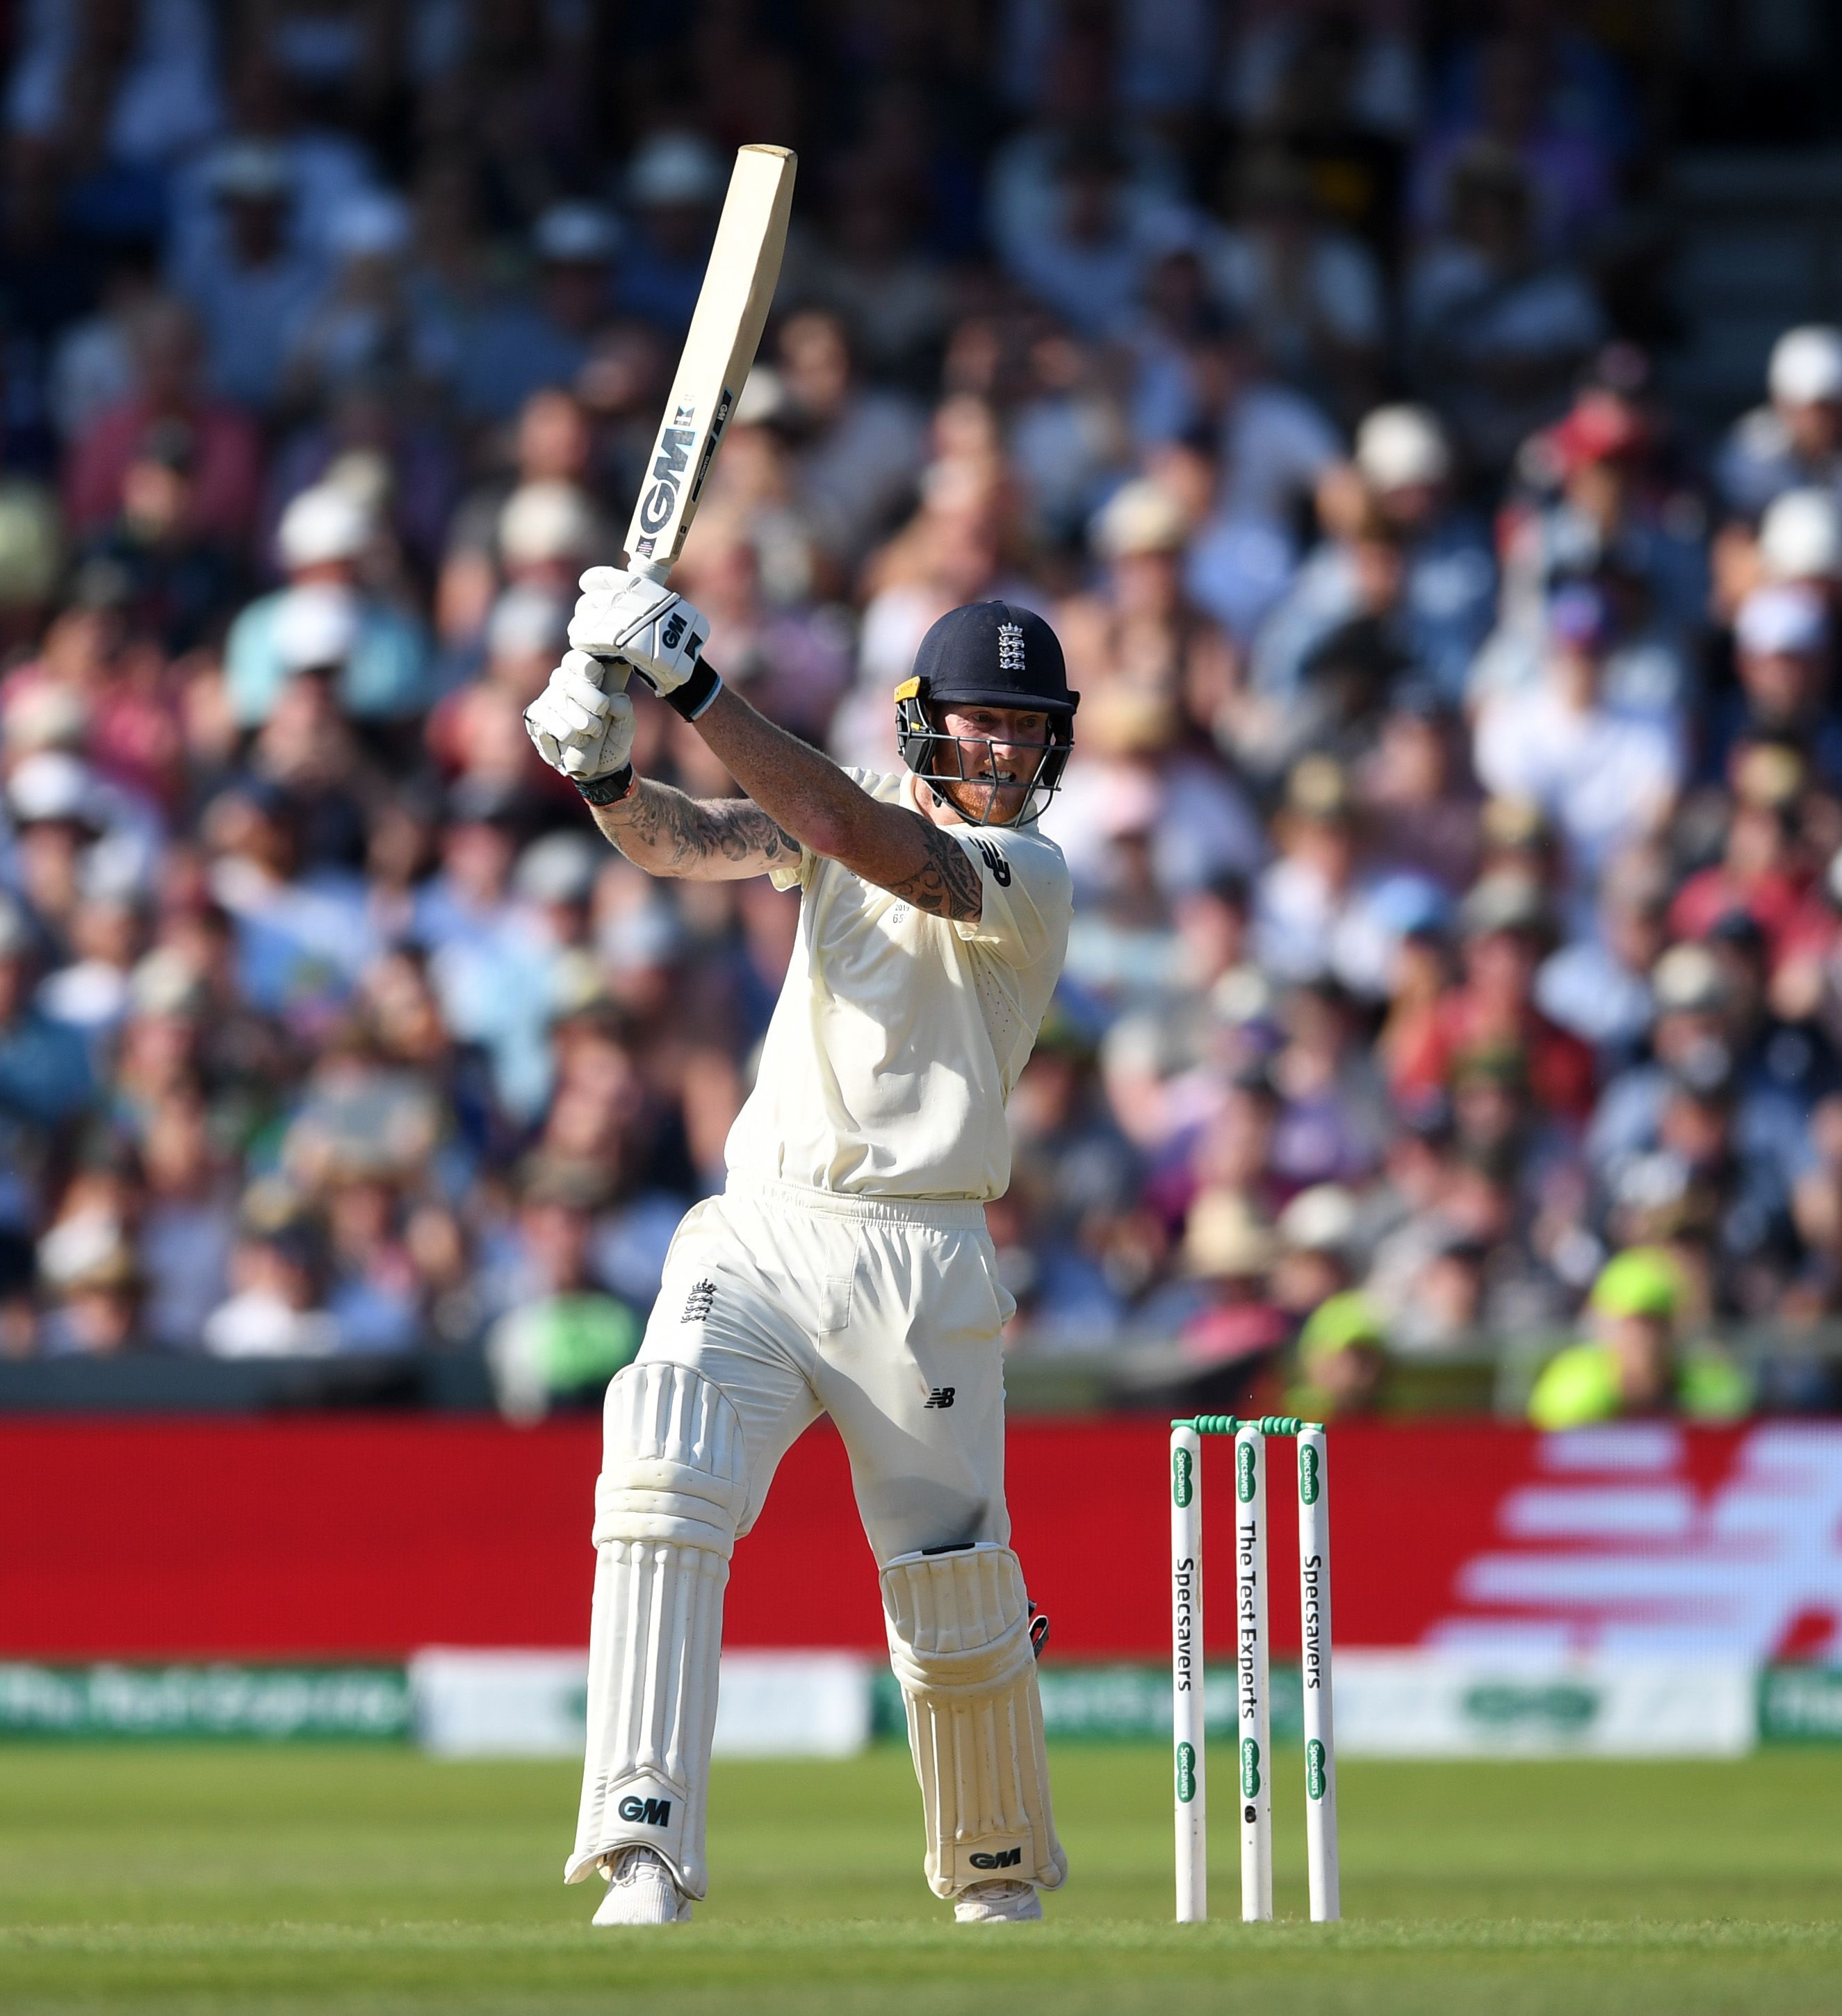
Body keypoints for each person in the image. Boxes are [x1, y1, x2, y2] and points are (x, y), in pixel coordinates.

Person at [523, 582, 1078, 1926]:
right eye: (978, 721)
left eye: (1024, 727)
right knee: (660, 1459)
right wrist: (603, 770)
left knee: (952, 1592)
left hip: (923, 1254)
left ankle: (995, 1876)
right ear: (924, 722)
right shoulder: (842, 818)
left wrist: (692, 683)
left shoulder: (1028, 878)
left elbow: (848, 827)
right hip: (765, 1227)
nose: (1001, 749)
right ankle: (643, 1847)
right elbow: (689, 840)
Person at [1527, 1246, 1750, 1429]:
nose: (1643, 1338)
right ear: (1602, 1328)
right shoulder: (1570, 1389)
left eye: (1655, 1323)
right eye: (1630, 1324)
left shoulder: (1709, 1388)